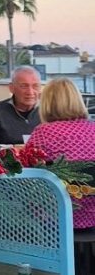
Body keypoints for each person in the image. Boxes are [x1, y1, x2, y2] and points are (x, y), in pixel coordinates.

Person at [29, 79, 95, 228]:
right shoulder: (93, 129)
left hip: (55, 218)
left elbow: (27, 170)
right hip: (93, 217)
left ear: (47, 103)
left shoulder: (44, 132)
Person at [0, 66, 41, 145]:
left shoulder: (48, 112)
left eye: (35, 86)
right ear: (11, 88)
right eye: (24, 86)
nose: (30, 92)